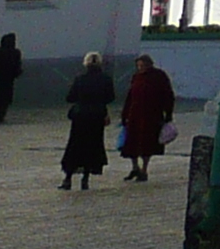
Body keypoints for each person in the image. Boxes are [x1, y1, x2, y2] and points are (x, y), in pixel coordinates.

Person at [116, 55, 175, 182]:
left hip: (151, 115)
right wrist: (124, 115)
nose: (140, 68)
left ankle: (144, 169)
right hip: (134, 114)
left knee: (147, 144)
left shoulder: (159, 76)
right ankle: (135, 167)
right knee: (131, 143)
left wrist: (168, 114)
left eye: (142, 66)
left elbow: (168, 95)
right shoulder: (136, 77)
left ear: (149, 64)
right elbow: (130, 97)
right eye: (139, 66)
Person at [60, 52, 114, 191]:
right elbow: (110, 97)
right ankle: (85, 179)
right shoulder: (106, 79)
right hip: (97, 116)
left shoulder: (80, 79)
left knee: (75, 146)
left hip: (80, 116)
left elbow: (70, 98)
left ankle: (68, 178)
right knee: (92, 146)